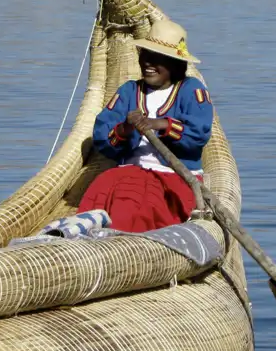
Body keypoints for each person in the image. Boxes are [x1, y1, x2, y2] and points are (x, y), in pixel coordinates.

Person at [78, 20, 213, 232]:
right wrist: (125, 129)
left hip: (174, 177)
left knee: (138, 201)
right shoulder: (129, 91)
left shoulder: (191, 90)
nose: (149, 63)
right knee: (103, 185)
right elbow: (102, 135)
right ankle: (88, 236)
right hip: (128, 171)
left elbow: (198, 135)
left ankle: (123, 241)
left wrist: (161, 125)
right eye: (146, 55)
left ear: (175, 64)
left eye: (158, 58)